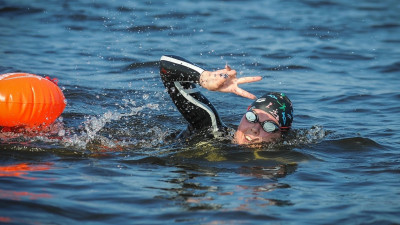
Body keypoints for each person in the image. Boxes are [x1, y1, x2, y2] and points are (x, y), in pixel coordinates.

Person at [159, 55, 293, 145]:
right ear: (244, 114)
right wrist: (205, 78)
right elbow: (166, 64)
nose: (255, 129)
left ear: (281, 136)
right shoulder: (213, 132)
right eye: (252, 117)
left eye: (269, 126)